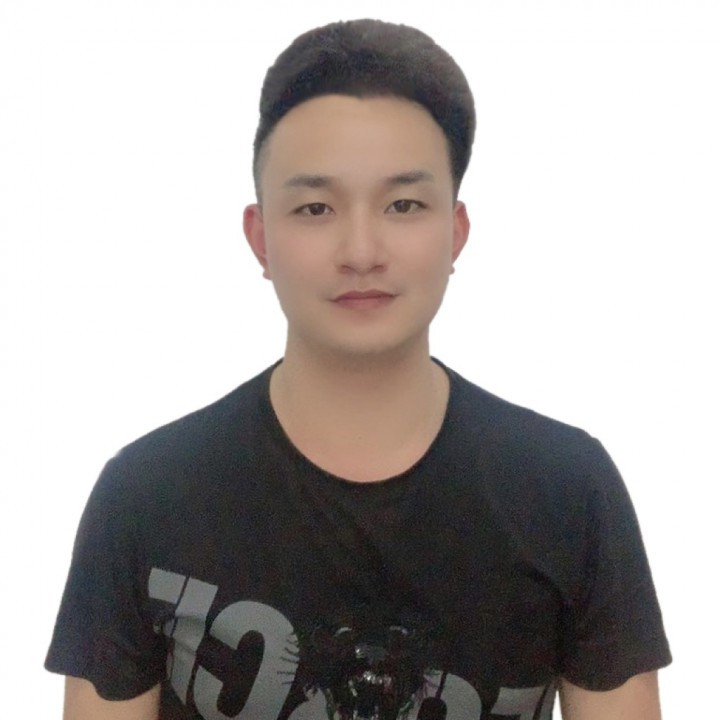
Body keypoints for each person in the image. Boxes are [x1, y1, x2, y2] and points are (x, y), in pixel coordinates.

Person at [45, 18, 671, 720]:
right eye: (315, 207)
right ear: (261, 238)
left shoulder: (568, 491)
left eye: (404, 205)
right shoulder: (146, 496)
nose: (362, 250)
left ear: (455, 231)